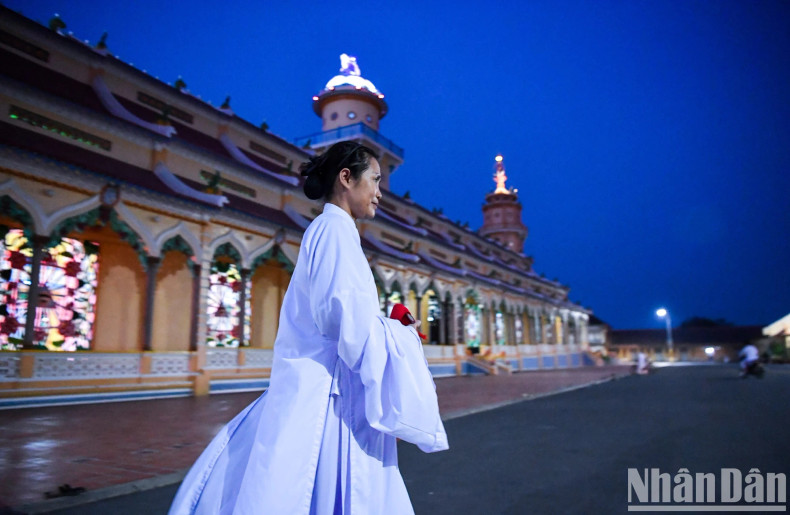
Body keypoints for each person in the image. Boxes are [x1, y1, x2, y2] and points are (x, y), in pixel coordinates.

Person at [169, 141, 448, 514]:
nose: (380, 192)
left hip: (325, 388)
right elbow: (349, 329)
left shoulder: (332, 231)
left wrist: (386, 324)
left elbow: (341, 318)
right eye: (376, 180)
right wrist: (400, 336)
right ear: (346, 178)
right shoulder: (334, 231)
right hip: (330, 400)